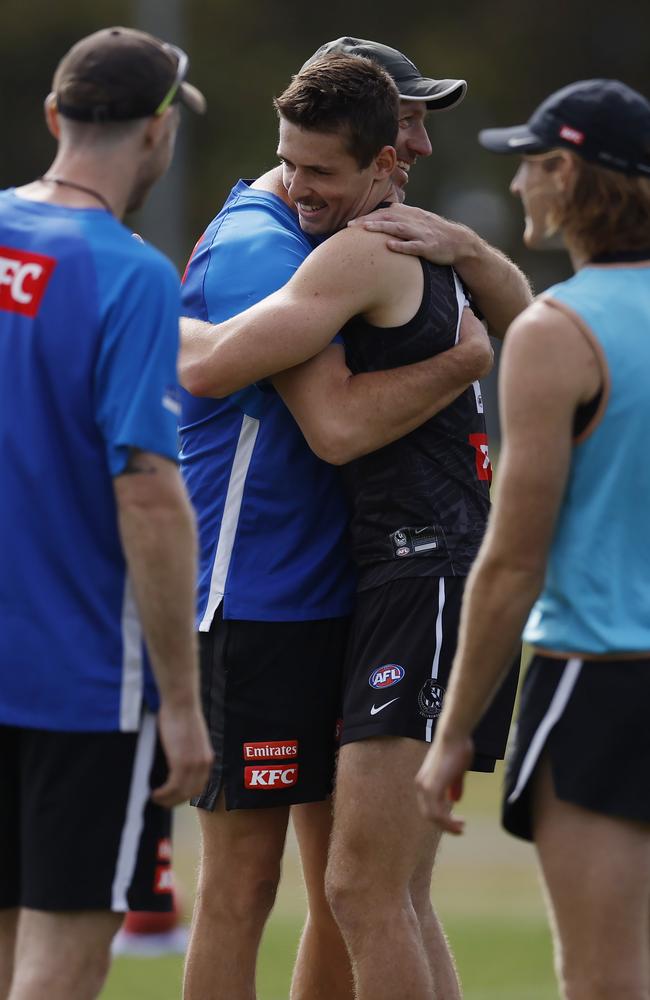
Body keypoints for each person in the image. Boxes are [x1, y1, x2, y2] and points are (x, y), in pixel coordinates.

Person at [180, 46, 530, 1000]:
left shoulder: (393, 232)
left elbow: (522, 323)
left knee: (366, 890)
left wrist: (472, 257)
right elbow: (314, 418)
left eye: (419, 125)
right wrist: (466, 363)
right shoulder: (279, 240)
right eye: (410, 118)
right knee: (284, 889)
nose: (421, 142)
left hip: (385, 581)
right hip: (259, 600)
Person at [415, 79, 650, 1000]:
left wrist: (452, 735)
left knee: (603, 984)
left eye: (530, 164)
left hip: (601, 680)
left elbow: (513, 562)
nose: (517, 187)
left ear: (568, 172)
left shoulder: (558, 331)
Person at [0, 27, 213, 1000]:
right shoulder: (132, 275)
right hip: (84, 681)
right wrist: (181, 701)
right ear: (157, 132)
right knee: (61, 962)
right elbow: (148, 494)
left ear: (54, 115)